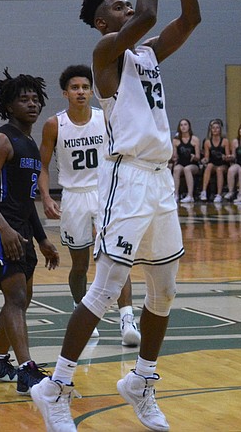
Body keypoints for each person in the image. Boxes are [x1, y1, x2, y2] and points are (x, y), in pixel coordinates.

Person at [32, 0, 200, 432]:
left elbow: (191, 18)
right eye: (116, 3)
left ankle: (141, 381)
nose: (127, 5)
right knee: (105, 289)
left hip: (161, 181)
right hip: (125, 179)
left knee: (165, 290)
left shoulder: (147, 55)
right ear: (103, 21)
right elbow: (149, 14)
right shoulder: (106, 53)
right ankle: (54, 386)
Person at [38, 65, 141, 346]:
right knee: (80, 265)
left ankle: (127, 318)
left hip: (105, 193)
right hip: (73, 196)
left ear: (92, 91)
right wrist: (46, 197)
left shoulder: (104, 117)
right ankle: (79, 308)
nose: (81, 92)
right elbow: (43, 166)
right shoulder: (54, 125)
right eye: (75, 88)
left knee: (117, 257)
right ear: (65, 93)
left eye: (85, 87)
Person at [0, 70, 60, 395]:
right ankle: (27, 371)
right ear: (9, 106)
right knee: (17, 297)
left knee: (24, 299)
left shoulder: (32, 145)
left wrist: (43, 239)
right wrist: (4, 229)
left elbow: (26, 200)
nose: (33, 103)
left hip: (20, 225)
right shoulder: (0, 141)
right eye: (24, 99)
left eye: (36, 98)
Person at [171, 119, 201, 203]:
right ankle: (176, 194)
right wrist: (174, 158)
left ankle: (190, 195)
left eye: (185, 124)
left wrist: (194, 157)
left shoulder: (194, 139)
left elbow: (198, 157)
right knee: (176, 169)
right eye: (181, 125)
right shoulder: (176, 140)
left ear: (189, 126)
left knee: (187, 169)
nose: (183, 127)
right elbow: (175, 156)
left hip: (193, 164)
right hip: (181, 163)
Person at [200, 119, 230, 202]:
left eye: (217, 128)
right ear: (210, 129)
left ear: (220, 130)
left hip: (223, 164)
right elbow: (207, 157)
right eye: (213, 128)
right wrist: (204, 160)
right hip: (213, 163)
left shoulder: (225, 141)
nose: (215, 129)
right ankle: (204, 191)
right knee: (209, 166)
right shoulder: (207, 142)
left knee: (219, 169)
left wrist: (226, 157)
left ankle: (219, 194)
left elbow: (228, 155)